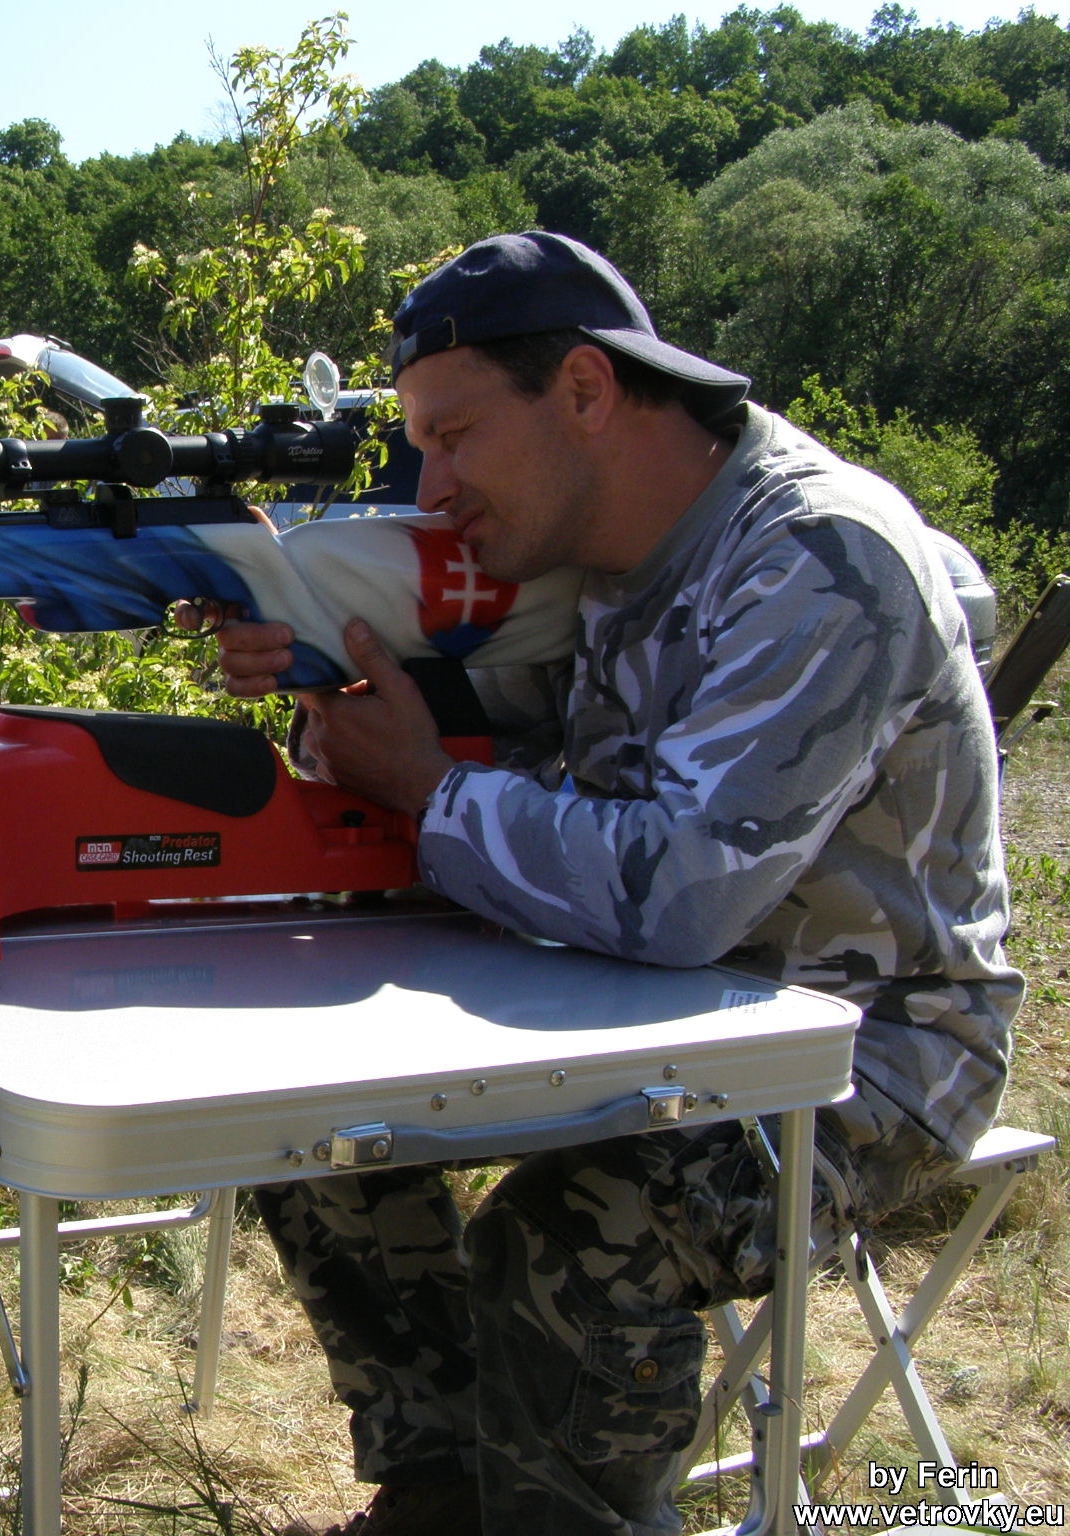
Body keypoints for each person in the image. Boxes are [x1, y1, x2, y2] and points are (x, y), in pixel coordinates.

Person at [208, 232, 1021, 1536]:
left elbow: (684, 892)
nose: (432, 483)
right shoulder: (584, 555)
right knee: (302, 1130)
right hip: (625, 1002)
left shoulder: (816, 560)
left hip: (861, 1051)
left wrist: (424, 784)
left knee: (572, 1242)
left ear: (585, 388)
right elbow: (503, 749)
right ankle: (441, 1499)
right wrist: (330, 678)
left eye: (454, 435)